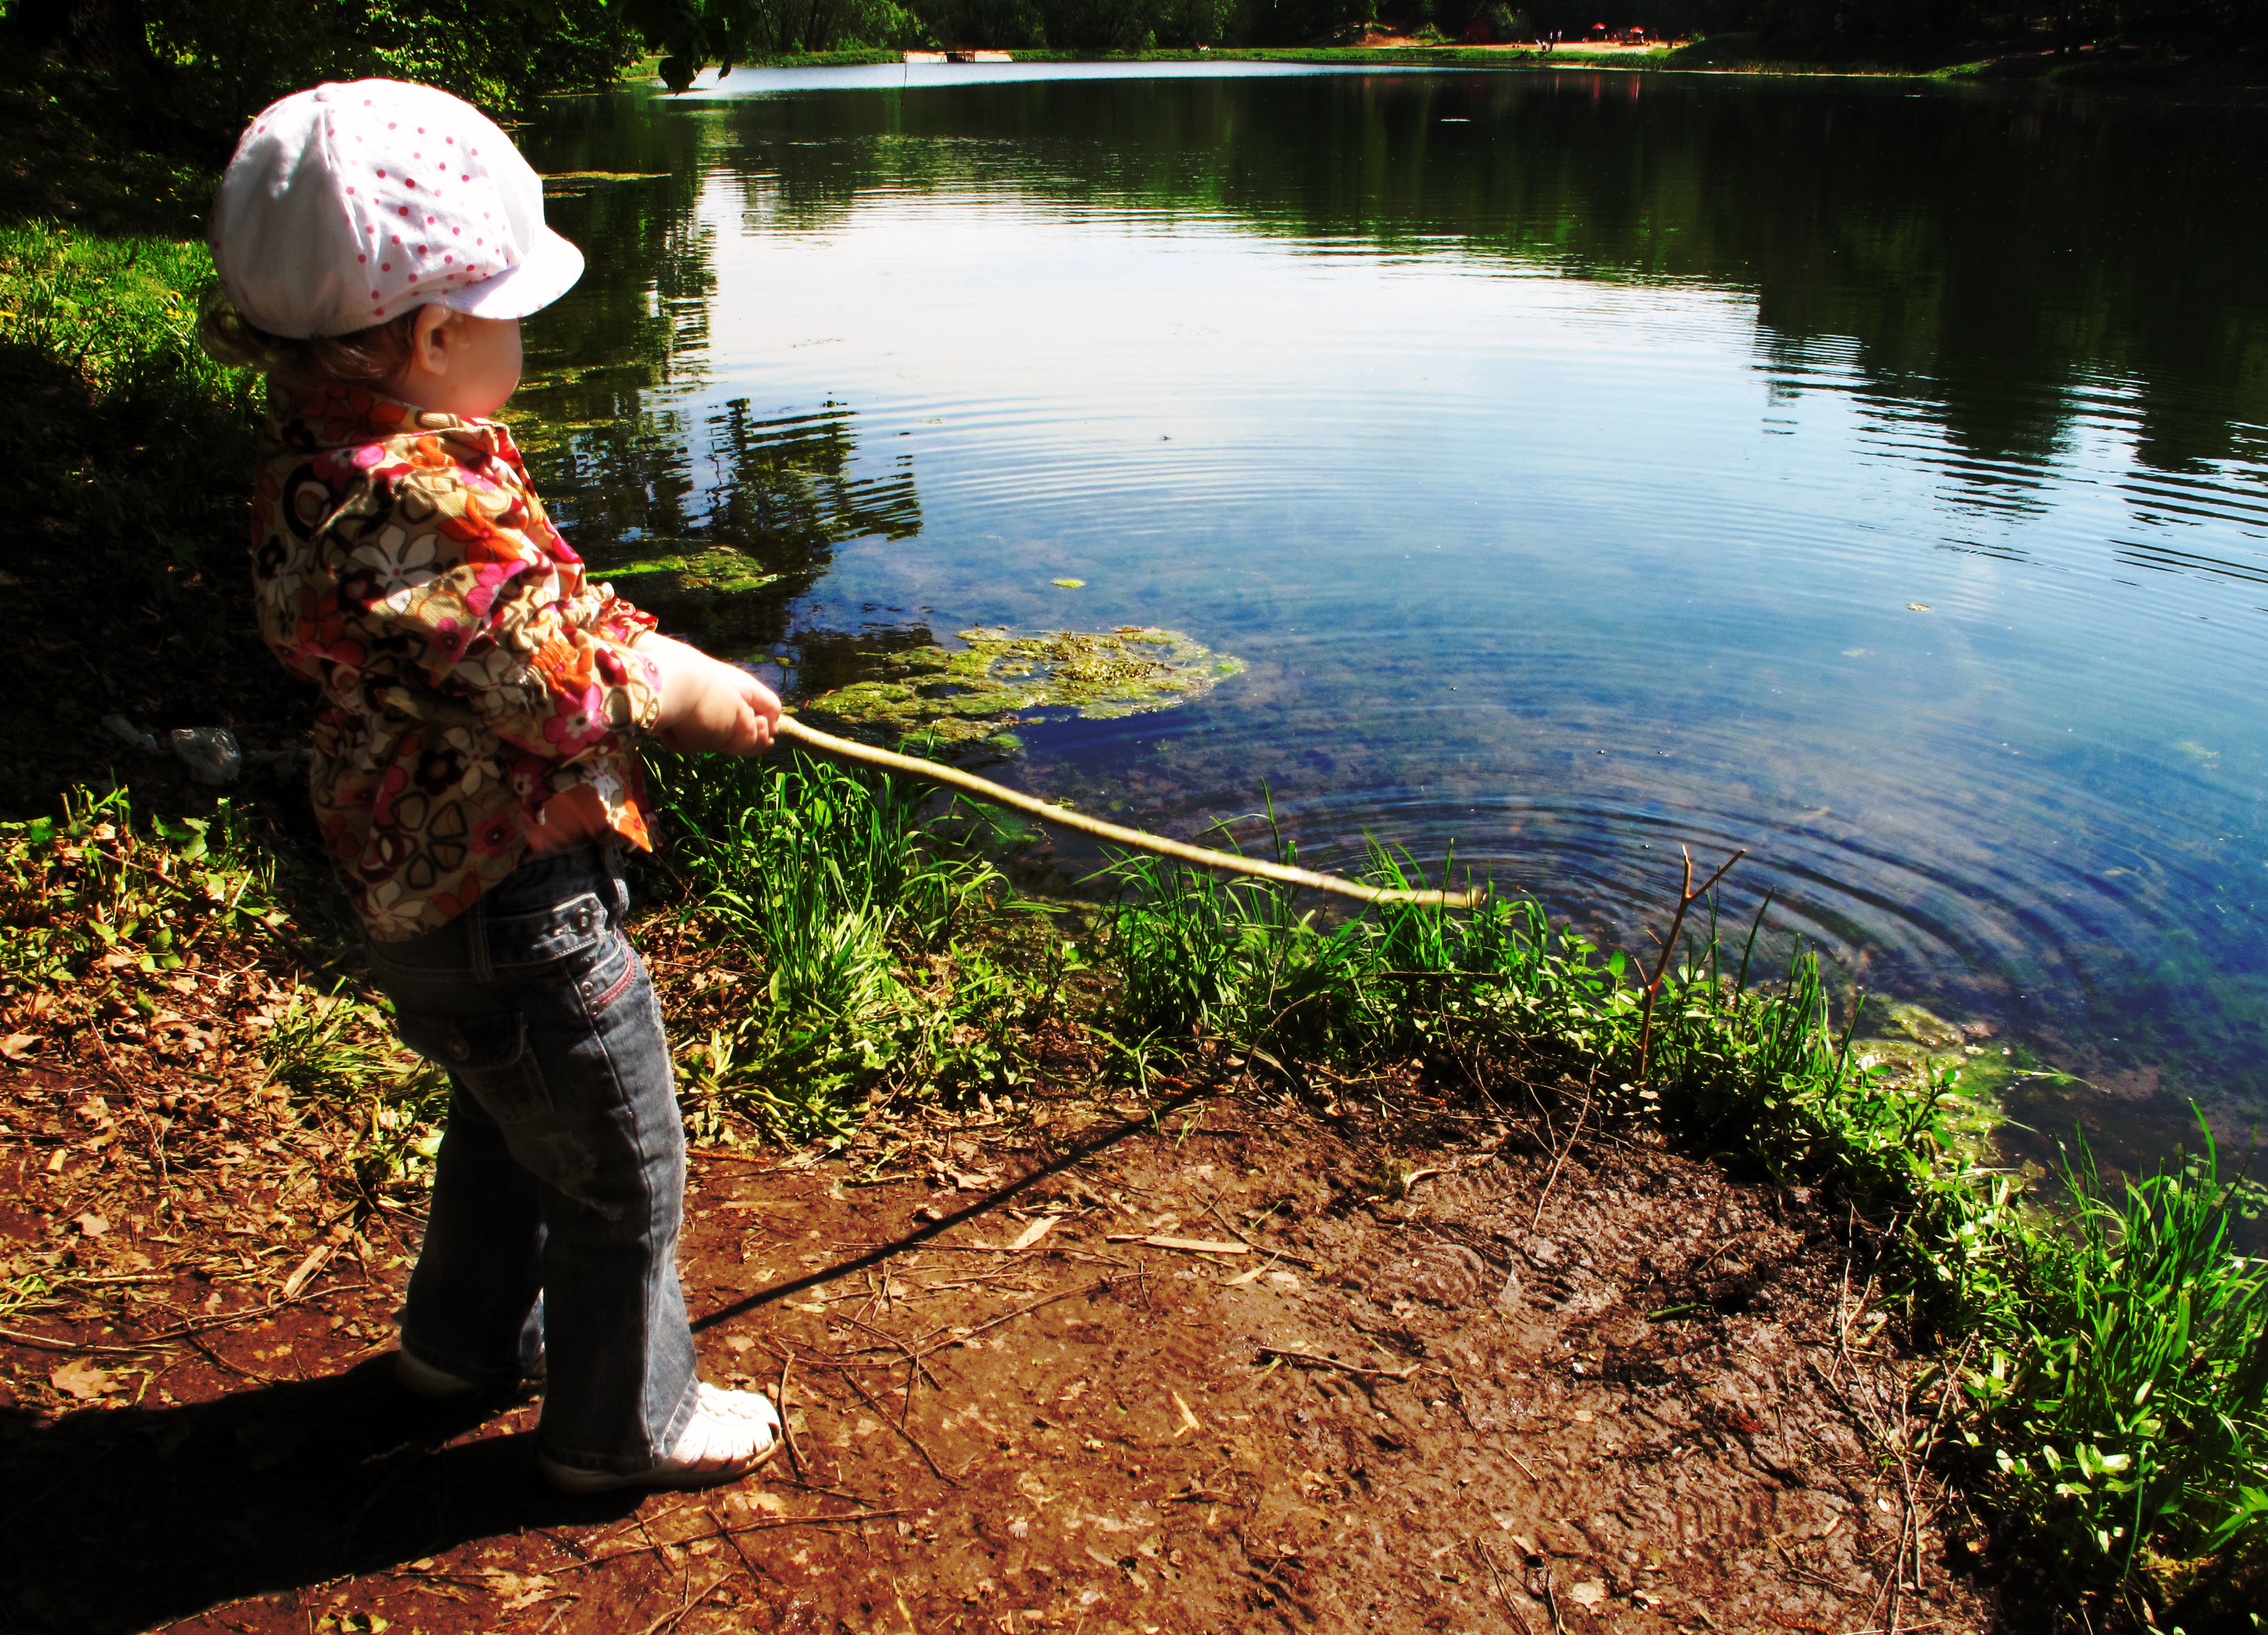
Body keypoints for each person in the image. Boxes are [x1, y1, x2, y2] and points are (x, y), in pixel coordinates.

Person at [202, 79, 786, 1493]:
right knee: (622, 1168)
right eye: (508, 312)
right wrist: (686, 692)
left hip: (427, 900)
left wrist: (660, 641)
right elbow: (549, 673)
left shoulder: (329, 463)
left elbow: (534, 613)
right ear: (435, 334)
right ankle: (620, 1425)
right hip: (516, 906)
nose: (524, 338)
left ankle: (460, 1349)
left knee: (508, 1131)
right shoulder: (418, 497)